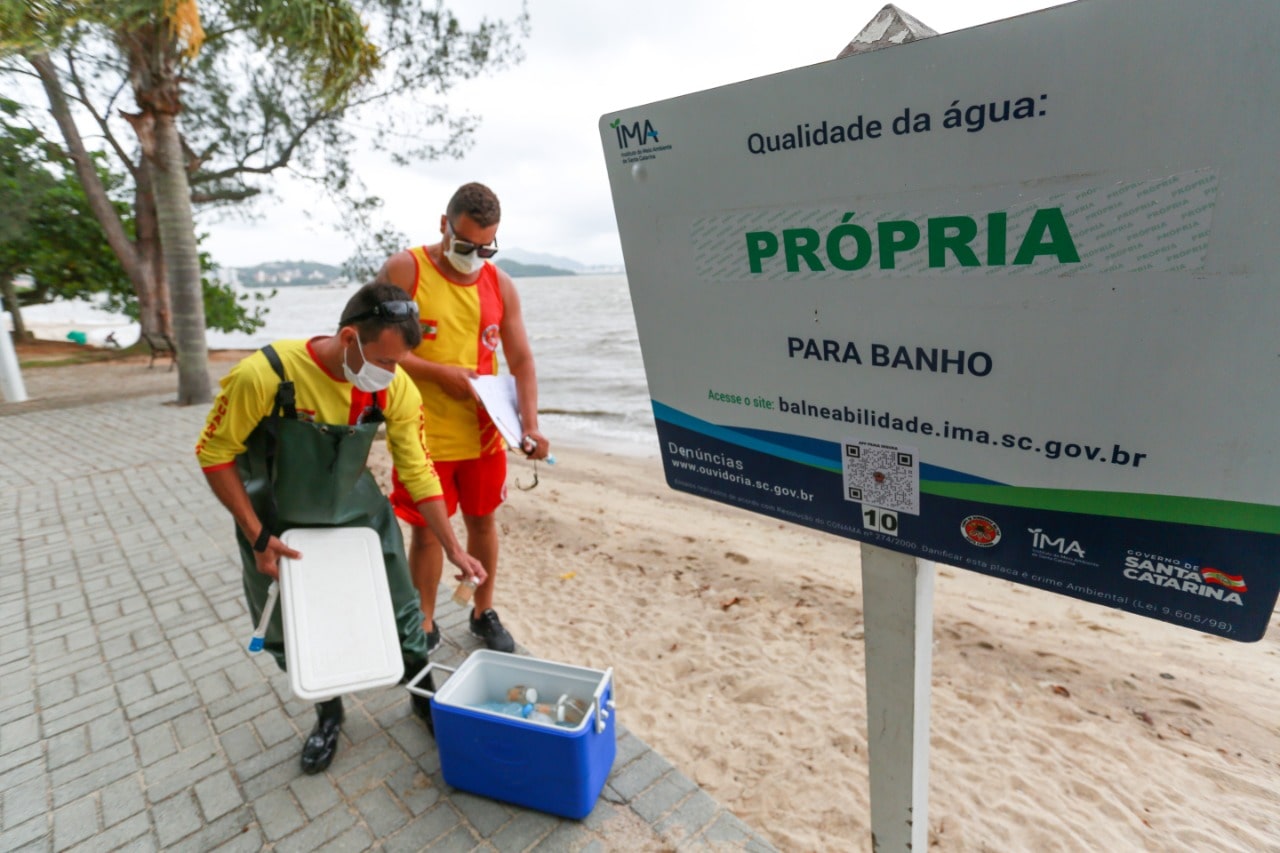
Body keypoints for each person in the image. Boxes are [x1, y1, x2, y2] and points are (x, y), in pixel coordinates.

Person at [195, 282, 486, 774]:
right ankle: (328, 713)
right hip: (277, 527)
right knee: (295, 630)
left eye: (400, 363)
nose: (392, 374)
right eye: (386, 361)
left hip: (358, 519)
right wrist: (256, 534)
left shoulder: (395, 388)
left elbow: (417, 470)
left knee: (403, 612)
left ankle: (421, 696)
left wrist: (453, 546)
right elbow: (213, 453)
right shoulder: (264, 374)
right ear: (349, 338)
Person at [377, 181, 549, 654]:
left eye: (485, 247)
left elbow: (522, 362)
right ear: (442, 224)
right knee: (429, 534)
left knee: (483, 524)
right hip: (421, 437)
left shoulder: (501, 285)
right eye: (464, 244)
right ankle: (425, 621)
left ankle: (482, 612)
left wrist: (529, 424)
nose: (474, 255)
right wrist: (438, 374)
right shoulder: (405, 269)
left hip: (484, 436)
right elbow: (371, 345)